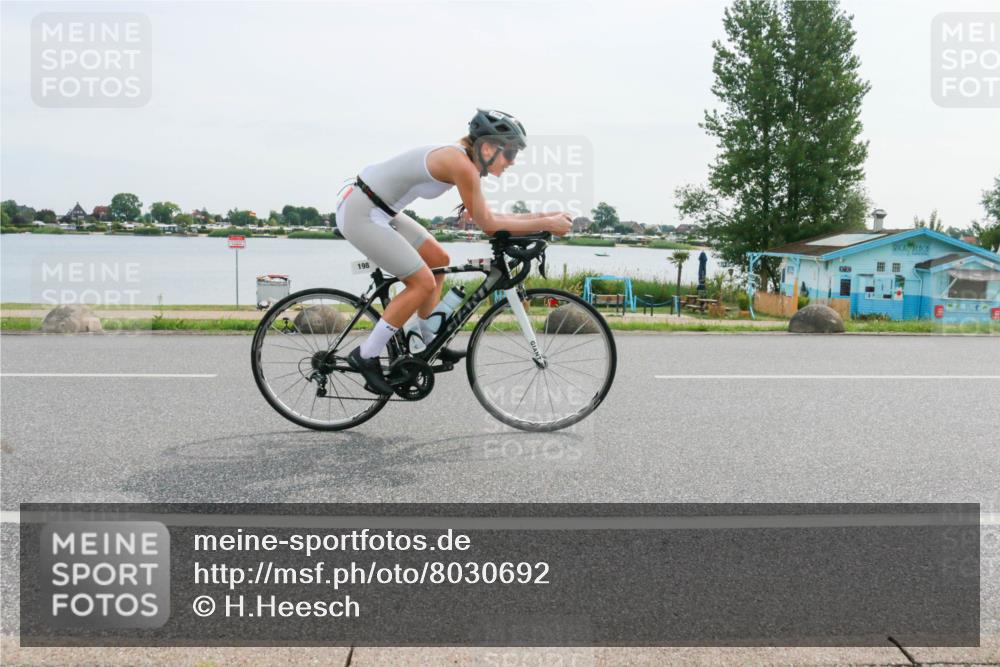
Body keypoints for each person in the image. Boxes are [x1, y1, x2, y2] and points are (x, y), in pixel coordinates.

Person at [336, 109, 573, 395]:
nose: (513, 162)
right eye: (510, 154)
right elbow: (488, 224)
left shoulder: (464, 160)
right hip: (362, 212)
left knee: (439, 260)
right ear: (487, 148)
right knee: (421, 281)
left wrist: (543, 216)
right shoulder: (460, 164)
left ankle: (423, 338)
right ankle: (366, 354)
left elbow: (488, 216)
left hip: (380, 209)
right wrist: (546, 222)